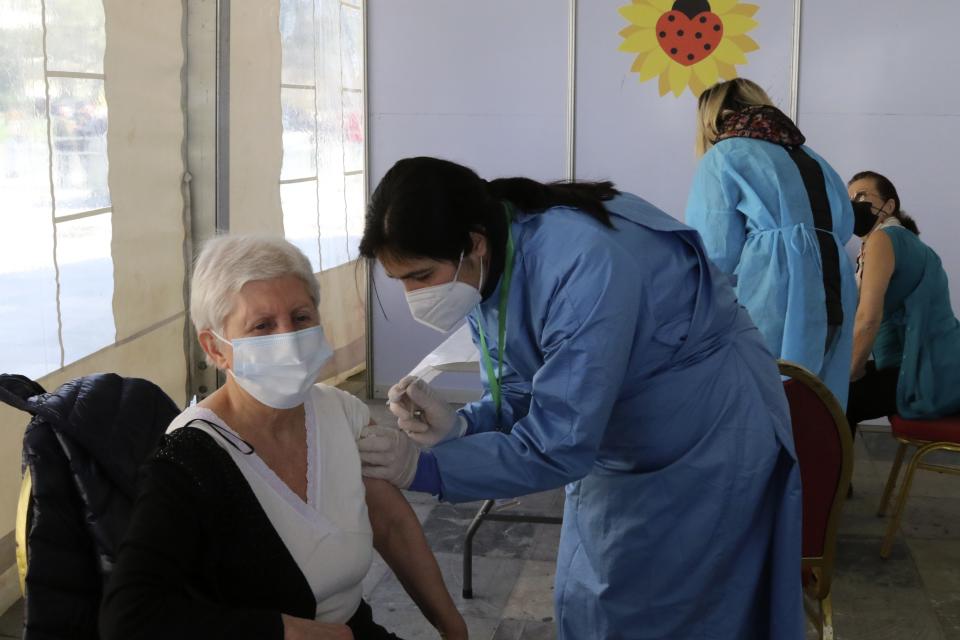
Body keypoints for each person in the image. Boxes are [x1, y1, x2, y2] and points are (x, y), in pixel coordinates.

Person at [356, 157, 803, 639]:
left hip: (708, 431)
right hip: (626, 427)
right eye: (400, 280)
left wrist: (424, 469)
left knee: (674, 606)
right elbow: (530, 380)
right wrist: (469, 424)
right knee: (597, 591)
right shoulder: (491, 261)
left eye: (420, 276)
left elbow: (557, 445)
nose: (413, 295)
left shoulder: (580, 262)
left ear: (473, 244)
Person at [99, 236, 467, 640]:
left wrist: (453, 628)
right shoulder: (190, 457)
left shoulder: (341, 412)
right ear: (216, 348)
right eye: (262, 326)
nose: (288, 337)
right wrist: (280, 631)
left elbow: (392, 524)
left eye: (300, 316)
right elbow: (129, 618)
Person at [685, 78, 857, 408]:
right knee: (819, 401)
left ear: (712, 119)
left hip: (773, 285)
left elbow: (715, 252)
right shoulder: (815, 158)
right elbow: (844, 226)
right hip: (836, 284)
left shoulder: (724, 156)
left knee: (760, 396)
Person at [846, 171, 960, 429]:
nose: (854, 204)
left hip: (925, 372)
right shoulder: (904, 242)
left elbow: (867, 319)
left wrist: (851, 372)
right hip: (938, 366)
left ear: (889, 205)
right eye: (850, 198)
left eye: (862, 196)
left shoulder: (883, 238)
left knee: (833, 400)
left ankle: (829, 470)